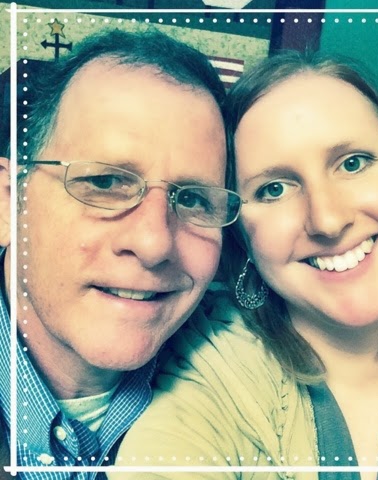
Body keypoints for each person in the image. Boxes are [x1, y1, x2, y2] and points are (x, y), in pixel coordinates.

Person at [112, 50, 378, 480]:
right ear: (241, 235)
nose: (327, 220)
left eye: (353, 163)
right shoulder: (211, 380)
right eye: (274, 189)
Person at [0, 28, 244, 478]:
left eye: (193, 199)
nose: (154, 243)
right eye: (105, 182)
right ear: (9, 201)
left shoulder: (244, 385)